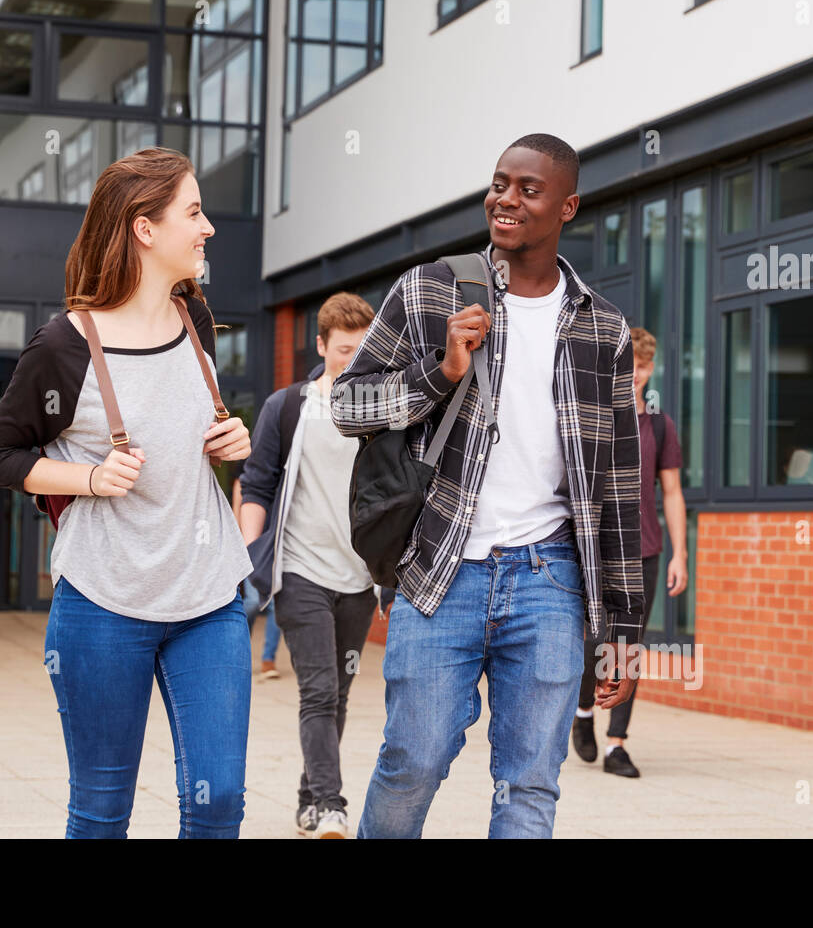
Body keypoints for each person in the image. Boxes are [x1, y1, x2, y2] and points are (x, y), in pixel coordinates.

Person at [331, 133, 645, 838]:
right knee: (414, 760)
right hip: (443, 570)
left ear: (567, 206)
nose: (505, 198)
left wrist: (622, 631)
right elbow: (346, 407)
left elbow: (621, 489)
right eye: (499, 182)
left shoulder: (603, 330)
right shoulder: (428, 290)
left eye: (527, 189)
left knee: (530, 782)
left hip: (551, 579)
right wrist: (438, 375)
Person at [0, 147, 254, 839]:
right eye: (194, 212)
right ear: (144, 228)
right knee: (102, 811)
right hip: (103, 603)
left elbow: (183, 434)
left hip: (209, 597)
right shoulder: (64, 346)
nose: (208, 228)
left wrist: (228, 441)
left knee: (218, 801)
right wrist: (90, 477)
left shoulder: (196, 320)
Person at [238, 293, 379, 838]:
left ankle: (307, 797)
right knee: (318, 690)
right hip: (300, 571)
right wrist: (252, 556)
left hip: (360, 577)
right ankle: (331, 804)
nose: (356, 359)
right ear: (321, 346)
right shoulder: (289, 406)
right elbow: (257, 483)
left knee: (339, 692)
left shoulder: (382, 411)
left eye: (364, 349)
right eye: (345, 350)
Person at [573, 326, 688, 777]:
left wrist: (680, 553)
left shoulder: (660, 425)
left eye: (644, 366)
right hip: (596, 550)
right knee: (591, 641)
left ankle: (617, 744)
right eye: (631, 365)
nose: (637, 374)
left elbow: (673, 492)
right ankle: (584, 711)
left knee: (628, 648)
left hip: (645, 549)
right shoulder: (595, 417)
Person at [228, 462, 285, 680]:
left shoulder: (281, 470)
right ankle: (240, 650)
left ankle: (268, 660)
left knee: (276, 608)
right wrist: (241, 544)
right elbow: (237, 507)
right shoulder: (245, 469)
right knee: (252, 602)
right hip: (253, 546)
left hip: (277, 546)